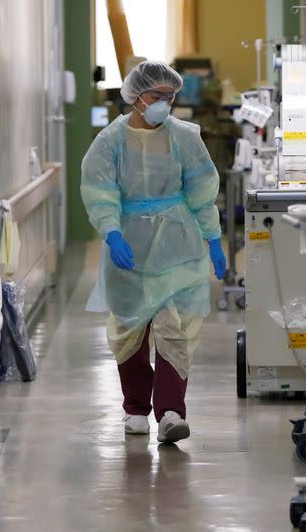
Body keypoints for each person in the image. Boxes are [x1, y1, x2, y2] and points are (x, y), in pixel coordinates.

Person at [81, 61, 227, 444]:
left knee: (174, 327)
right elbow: (100, 191)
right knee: (129, 328)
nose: (164, 103)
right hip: (129, 242)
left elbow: (201, 189)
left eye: (170, 96)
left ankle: (171, 412)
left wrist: (213, 239)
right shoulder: (110, 141)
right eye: (156, 95)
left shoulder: (184, 137)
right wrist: (111, 232)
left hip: (178, 243)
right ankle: (135, 410)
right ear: (135, 96)